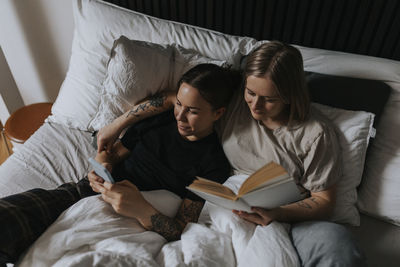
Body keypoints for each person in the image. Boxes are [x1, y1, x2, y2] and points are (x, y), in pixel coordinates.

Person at [96, 42, 366, 266]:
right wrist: (114, 126)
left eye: (269, 99)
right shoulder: (235, 100)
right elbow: (174, 99)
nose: (256, 106)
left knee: (338, 245)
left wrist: (278, 213)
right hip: (225, 199)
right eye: (251, 93)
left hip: (286, 211)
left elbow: (324, 201)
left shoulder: (315, 133)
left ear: (290, 95)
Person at [0, 63, 238, 265]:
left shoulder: (213, 164)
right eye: (179, 105)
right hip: (86, 193)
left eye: (193, 111)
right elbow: (113, 155)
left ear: (218, 113)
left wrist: (140, 209)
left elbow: (182, 229)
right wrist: (103, 159)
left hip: (136, 223)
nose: (180, 116)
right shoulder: (160, 119)